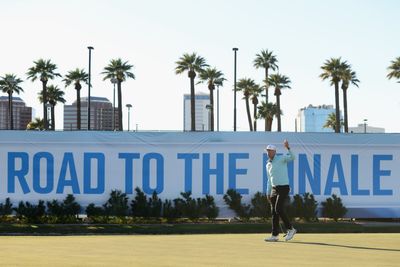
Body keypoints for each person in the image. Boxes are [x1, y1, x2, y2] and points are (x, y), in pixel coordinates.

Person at [264, 139, 297, 242]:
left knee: (278, 208)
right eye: (267, 151)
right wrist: (268, 192)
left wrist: (288, 148)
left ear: (274, 152)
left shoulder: (281, 158)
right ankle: (274, 235)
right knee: (274, 212)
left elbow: (293, 157)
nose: (268, 152)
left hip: (283, 187)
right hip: (274, 189)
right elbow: (269, 179)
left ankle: (291, 229)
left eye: (270, 150)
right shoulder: (268, 164)